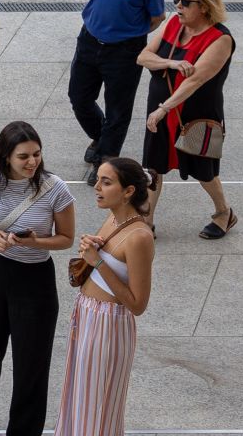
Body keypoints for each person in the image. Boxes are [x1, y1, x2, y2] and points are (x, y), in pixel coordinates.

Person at [0, 121, 77, 436]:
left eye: (36, 154)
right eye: (23, 156)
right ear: (6, 156)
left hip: (34, 280)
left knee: (31, 366)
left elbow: (66, 238)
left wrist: (36, 242)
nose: (32, 162)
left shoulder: (55, 188)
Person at [57, 158, 156, 435]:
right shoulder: (113, 218)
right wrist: (92, 248)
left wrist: (97, 261)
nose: (97, 187)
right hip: (88, 315)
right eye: (99, 179)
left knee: (98, 408)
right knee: (80, 401)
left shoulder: (139, 237)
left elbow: (138, 304)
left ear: (128, 191)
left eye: (107, 182)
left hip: (108, 325)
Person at [137, 0, 235, 240]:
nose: (178, 6)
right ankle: (146, 221)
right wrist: (170, 64)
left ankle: (223, 212)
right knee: (154, 167)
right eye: (176, 0)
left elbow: (195, 80)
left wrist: (163, 109)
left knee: (204, 171)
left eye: (186, 2)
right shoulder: (172, 25)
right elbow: (143, 57)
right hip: (161, 108)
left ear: (203, 6)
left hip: (196, 115)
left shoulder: (220, 39)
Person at [71, 0, 165, 184]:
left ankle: (106, 161)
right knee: (79, 98)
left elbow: (158, 16)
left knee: (118, 109)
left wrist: (127, 33)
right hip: (89, 40)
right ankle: (101, 137)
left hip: (125, 49)